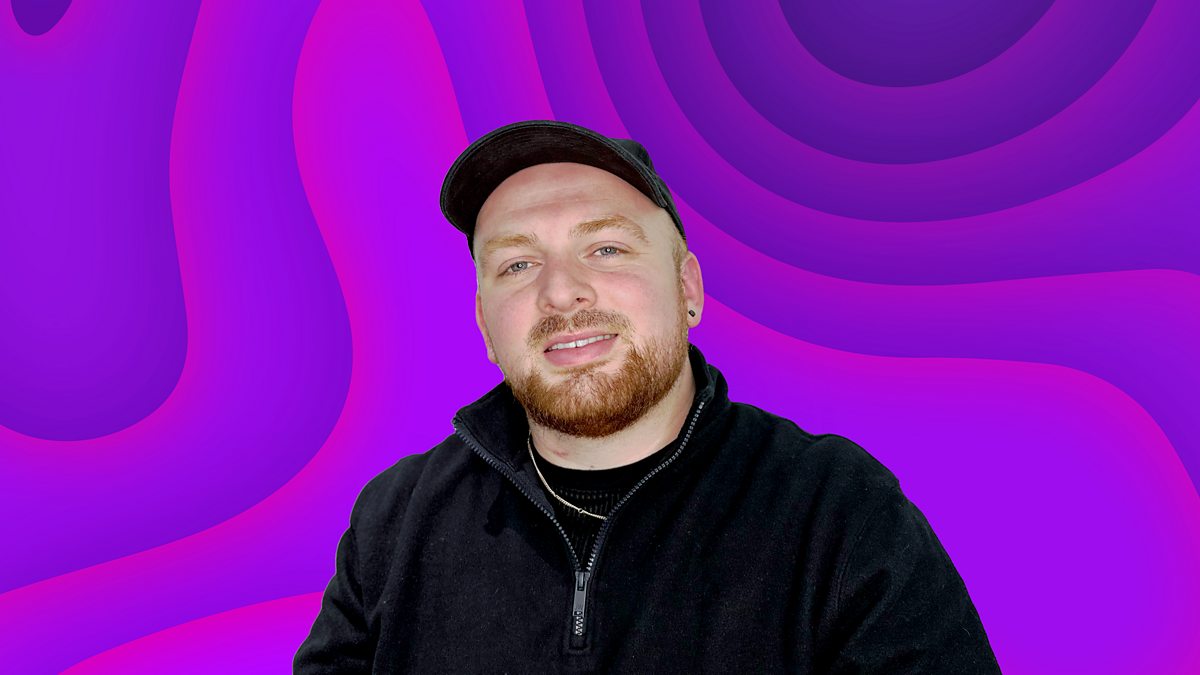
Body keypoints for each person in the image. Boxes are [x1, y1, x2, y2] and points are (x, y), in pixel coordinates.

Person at [295, 120, 1001, 673]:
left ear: (687, 288)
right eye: (518, 263)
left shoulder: (837, 511)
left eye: (605, 249)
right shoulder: (396, 518)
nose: (560, 291)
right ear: (484, 325)